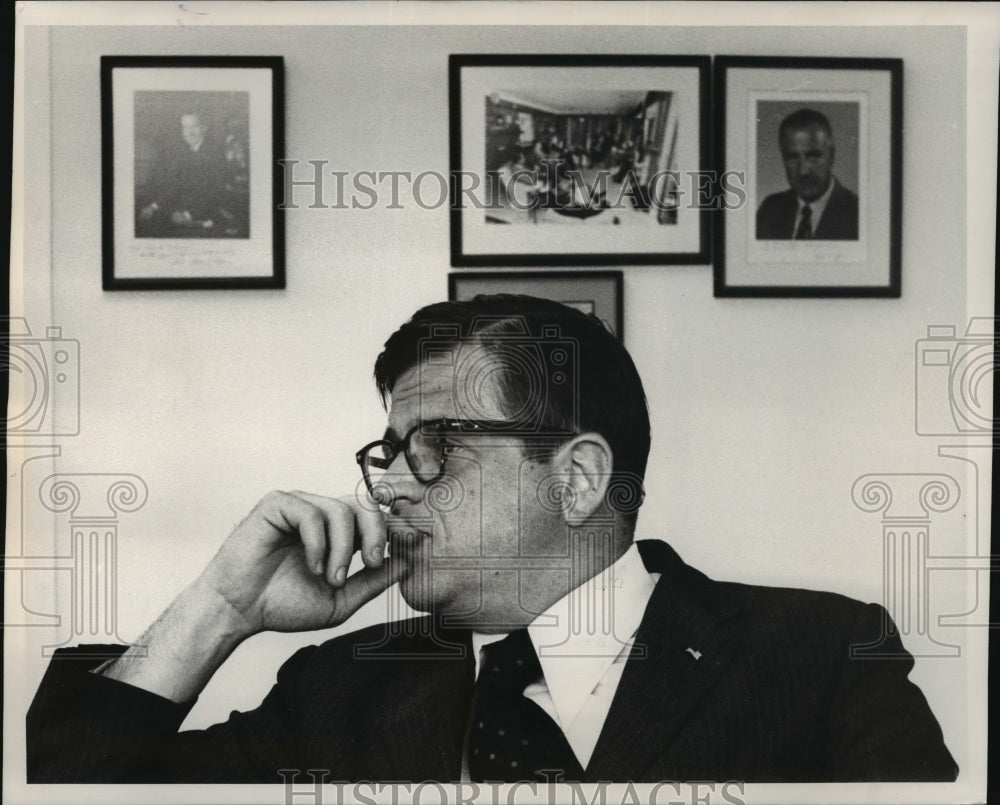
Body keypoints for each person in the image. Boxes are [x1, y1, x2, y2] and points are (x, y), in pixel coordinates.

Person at [27, 295, 957, 784]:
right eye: (385, 452)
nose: (387, 485)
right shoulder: (343, 686)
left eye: (433, 446)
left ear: (579, 477)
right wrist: (218, 610)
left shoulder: (819, 657)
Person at [136, 111, 247, 239]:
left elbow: (217, 191)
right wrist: (153, 206)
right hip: (183, 212)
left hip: (208, 216)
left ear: (203, 128)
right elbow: (177, 185)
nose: (189, 132)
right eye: (185, 127)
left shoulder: (215, 153)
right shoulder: (186, 152)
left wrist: (188, 215)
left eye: (194, 127)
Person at [756, 108, 859, 240]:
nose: (803, 170)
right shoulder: (769, 210)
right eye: (793, 157)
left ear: (831, 156)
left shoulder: (858, 215)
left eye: (813, 156)